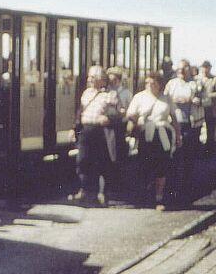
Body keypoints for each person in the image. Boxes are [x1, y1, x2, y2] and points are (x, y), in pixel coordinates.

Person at [126, 72, 182, 207]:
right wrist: (136, 122)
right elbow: (130, 114)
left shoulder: (166, 98)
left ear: (160, 84)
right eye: (147, 83)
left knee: (161, 166)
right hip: (145, 135)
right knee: (145, 165)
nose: (150, 85)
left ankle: (159, 198)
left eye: (153, 83)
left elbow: (174, 118)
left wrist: (178, 136)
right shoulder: (139, 97)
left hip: (163, 135)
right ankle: (145, 197)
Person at [71, 66, 119, 205]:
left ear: (101, 80)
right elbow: (80, 112)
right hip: (86, 130)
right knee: (82, 161)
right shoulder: (86, 93)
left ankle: (102, 193)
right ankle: (85, 191)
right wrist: (74, 128)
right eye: (89, 77)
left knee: (102, 163)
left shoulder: (110, 94)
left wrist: (108, 119)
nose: (89, 79)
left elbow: (117, 113)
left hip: (101, 132)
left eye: (93, 77)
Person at [164, 61, 203, 201]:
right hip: (174, 122)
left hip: (190, 124)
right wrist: (181, 99)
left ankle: (186, 188)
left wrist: (196, 100)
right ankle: (172, 188)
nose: (181, 71)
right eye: (179, 69)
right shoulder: (171, 83)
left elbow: (205, 99)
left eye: (184, 69)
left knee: (188, 156)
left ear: (188, 69)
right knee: (174, 155)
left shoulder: (195, 84)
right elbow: (165, 99)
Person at [198, 61, 216, 152]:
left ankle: (210, 148)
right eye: (203, 67)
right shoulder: (198, 79)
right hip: (199, 107)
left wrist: (208, 95)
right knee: (198, 127)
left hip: (211, 108)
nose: (204, 69)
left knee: (210, 128)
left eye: (206, 67)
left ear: (210, 68)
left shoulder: (215, 79)